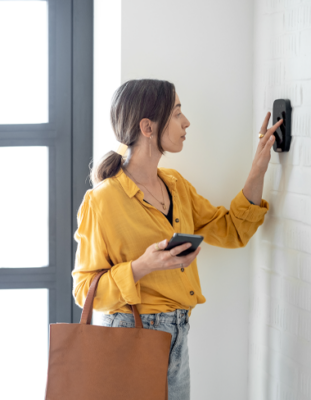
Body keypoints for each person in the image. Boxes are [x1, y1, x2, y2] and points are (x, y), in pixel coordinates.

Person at [72, 79, 282, 400]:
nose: (186, 123)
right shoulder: (103, 201)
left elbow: (231, 230)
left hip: (177, 337)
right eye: (177, 113)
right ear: (147, 127)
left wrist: (259, 168)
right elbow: (85, 291)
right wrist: (143, 266)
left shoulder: (175, 185)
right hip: (131, 336)